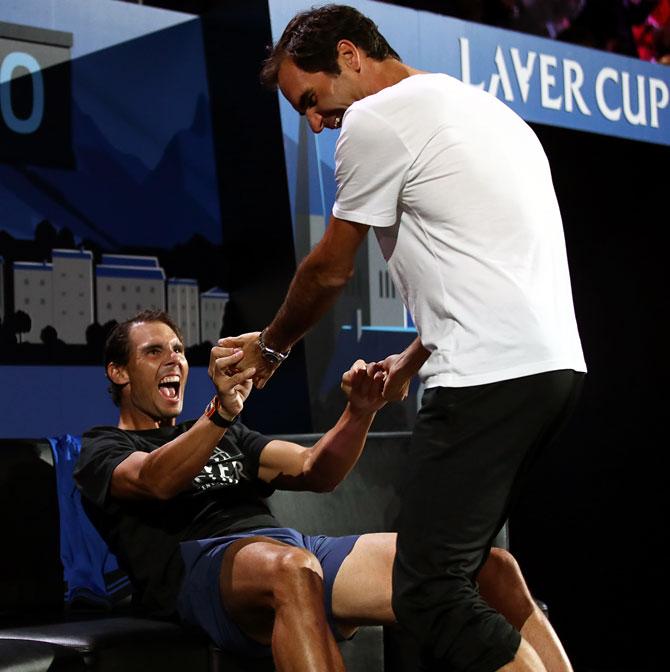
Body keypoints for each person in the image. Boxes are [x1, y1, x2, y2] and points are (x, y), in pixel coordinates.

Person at [232, 5, 588, 671]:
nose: (314, 123)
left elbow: (329, 268)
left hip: (486, 378)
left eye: (310, 101)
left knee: (426, 593)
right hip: (551, 371)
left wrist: (271, 346)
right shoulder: (483, 111)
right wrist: (413, 355)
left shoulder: (376, 118)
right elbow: (490, 265)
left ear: (348, 55)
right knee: (471, 572)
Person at [74, 310, 572, 672]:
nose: (174, 360)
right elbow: (155, 480)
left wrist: (360, 412)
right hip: (200, 567)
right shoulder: (102, 446)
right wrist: (220, 414)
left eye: (180, 349)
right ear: (118, 373)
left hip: (290, 548)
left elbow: (316, 470)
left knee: (484, 565)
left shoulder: (232, 437)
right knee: (293, 570)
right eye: (154, 351)